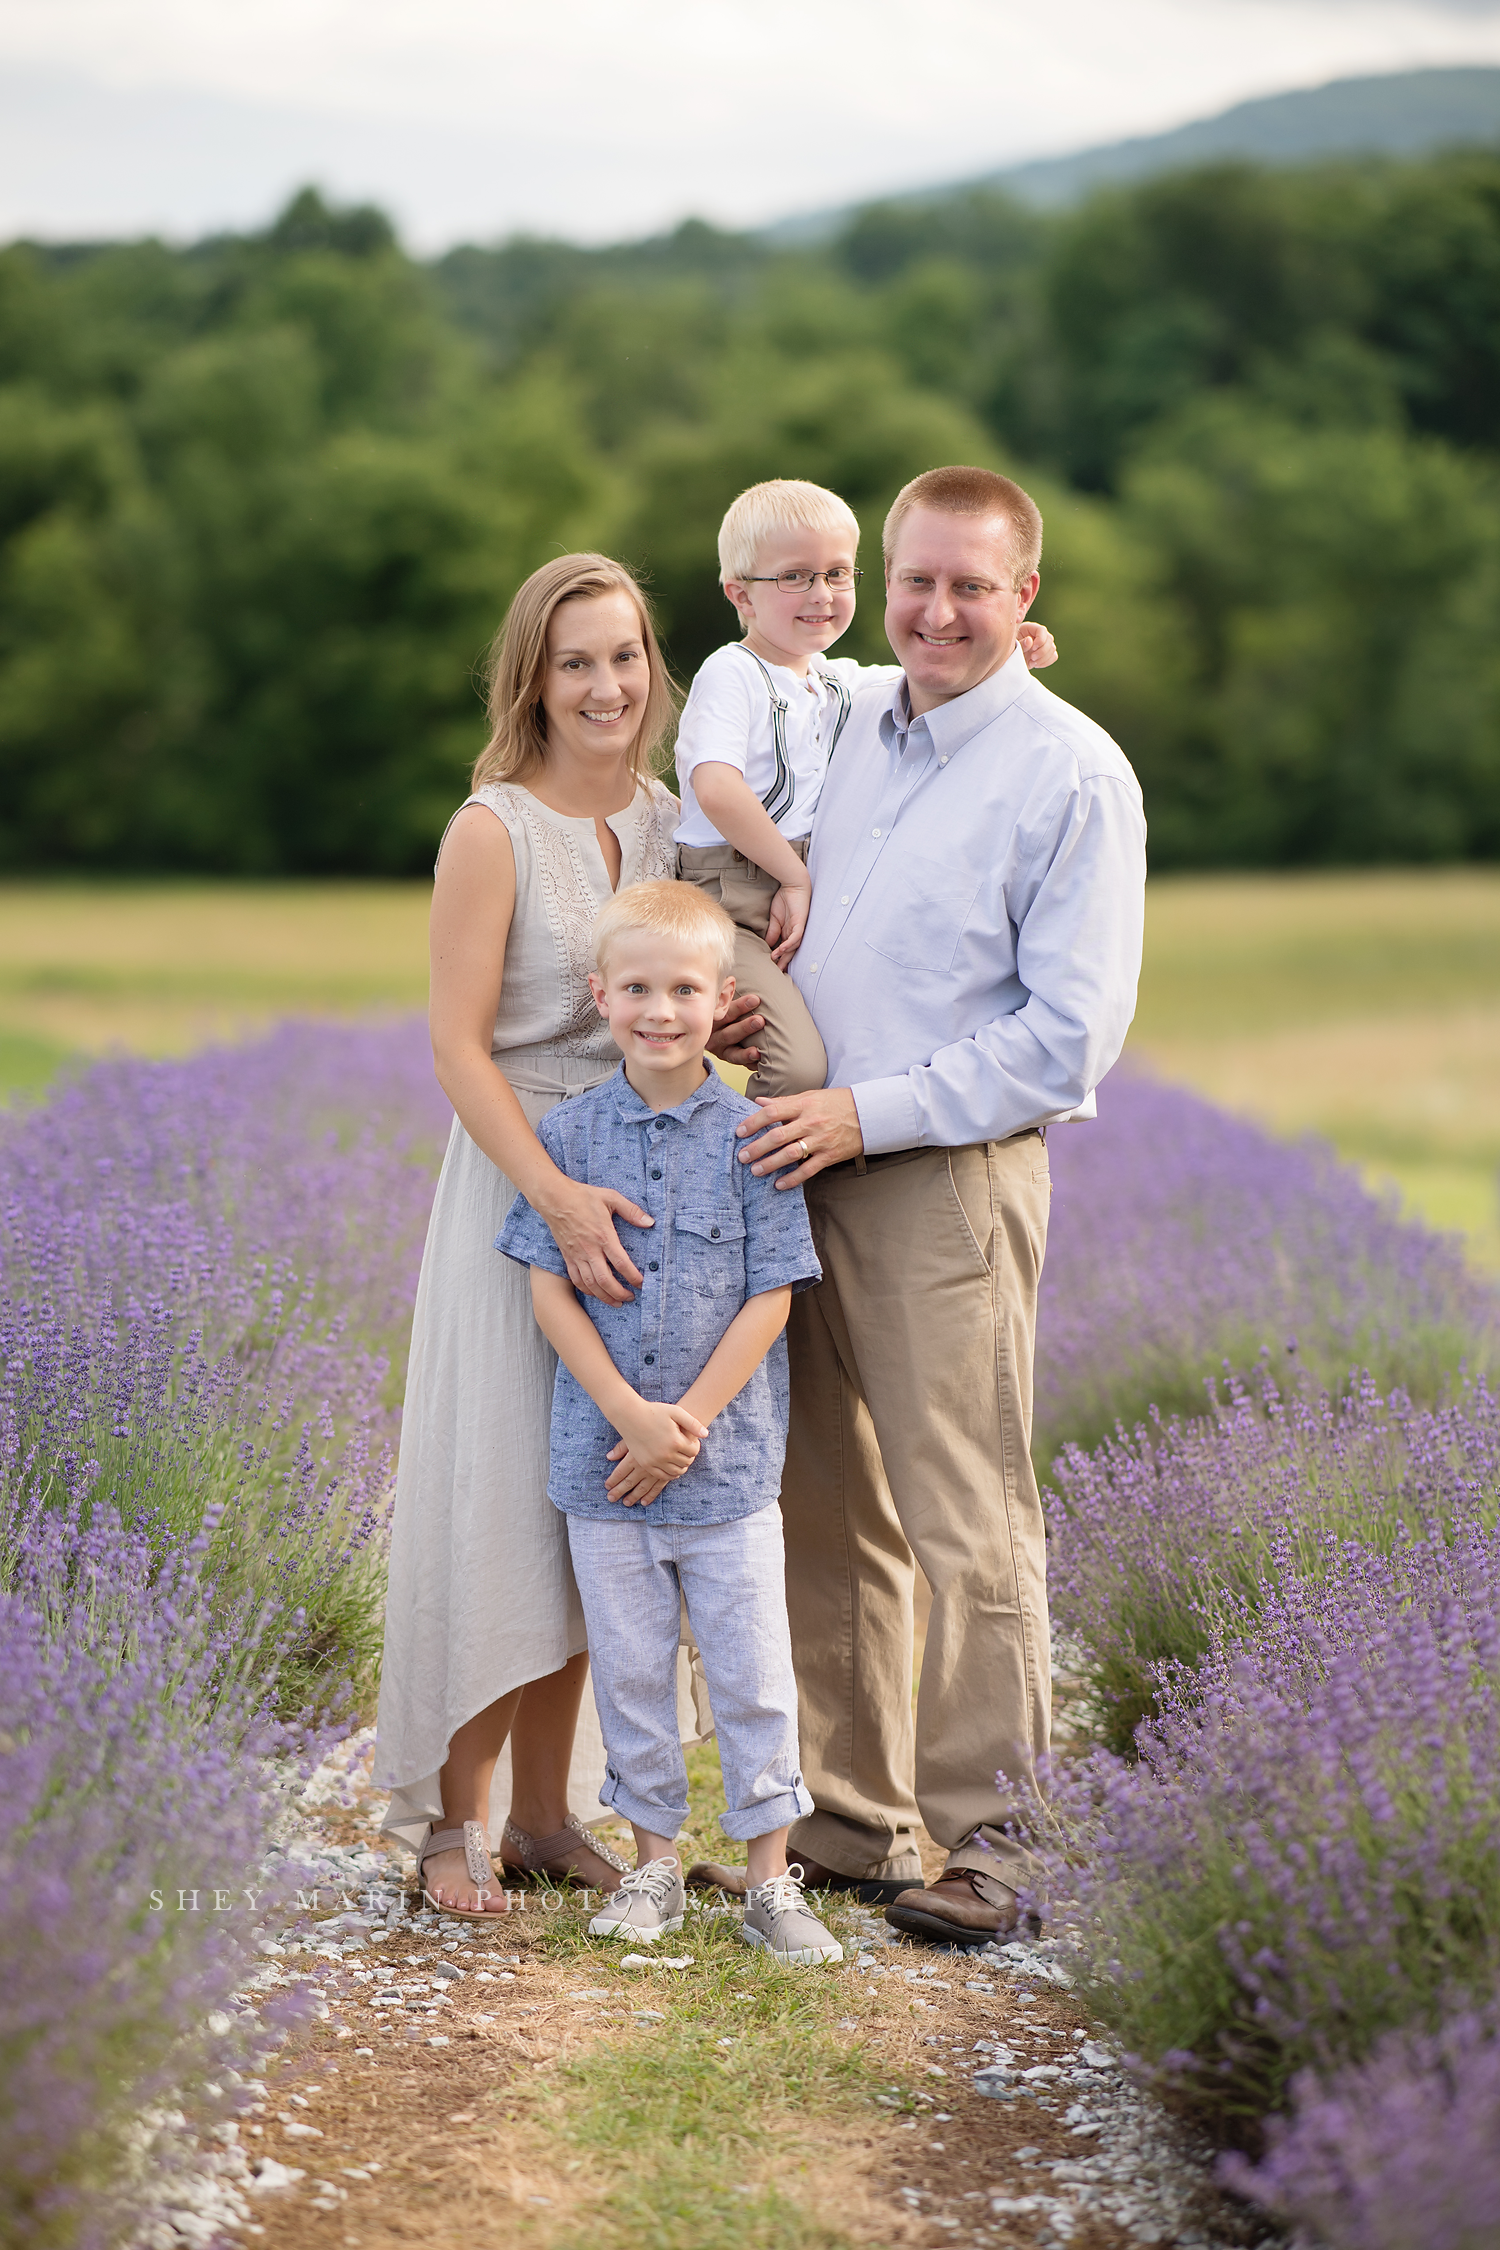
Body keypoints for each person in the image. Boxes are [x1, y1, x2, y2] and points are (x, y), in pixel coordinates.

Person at [723, 464, 1148, 1948]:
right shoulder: (848, 725)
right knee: (824, 1501)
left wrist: (866, 1109)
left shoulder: (1069, 772)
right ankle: (848, 1821)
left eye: (975, 585)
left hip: (942, 1181)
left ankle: (1006, 1844)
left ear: (1029, 601)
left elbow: (1068, 1033)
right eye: (917, 579)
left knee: (967, 1509)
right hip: (799, 1161)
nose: (938, 609)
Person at [372, 553, 683, 1916]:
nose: (605, 685)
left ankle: (550, 1817)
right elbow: (453, 1042)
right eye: (576, 662)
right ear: (534, 681)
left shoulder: (679, 825)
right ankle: (452, 1818)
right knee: (495, 1483)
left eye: (623, 656)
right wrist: (547, 1195)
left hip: (643, 1191)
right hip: (516, 1184)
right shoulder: (491, 828)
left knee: (592, 1506)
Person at [498, 880, 841, 1966]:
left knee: (752, 1674)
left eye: (684, 989)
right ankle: (652, 1864)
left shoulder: (754, 1136)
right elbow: (551, 1288)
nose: (660, 1010)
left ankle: (771, 1881)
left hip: (728, 1469)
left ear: (720, 997)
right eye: (637, 987)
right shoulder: (568, 1137)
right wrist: (626, 1417)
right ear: (601, 996)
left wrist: (684, 1421)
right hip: (604, 1469)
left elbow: (773, 1292)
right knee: (635, 1671)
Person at [674, 477, 1057, 1100]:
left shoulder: (832, 679)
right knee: (797, 1067)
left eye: (838, 574)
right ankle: (736, 1177)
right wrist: (794, 879)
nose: (821, 594)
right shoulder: (732, 672)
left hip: (787, 885)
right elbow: (715, 786)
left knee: (833, 1032)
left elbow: (933, 667)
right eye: (794, 576)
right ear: (739, 594)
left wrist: (1010, 640)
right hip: (731, 895)